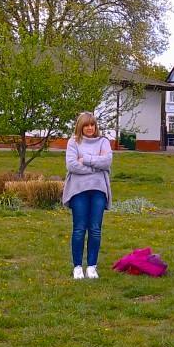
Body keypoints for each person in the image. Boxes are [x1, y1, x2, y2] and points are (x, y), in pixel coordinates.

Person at [62, 111, 113, 280]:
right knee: (79, 228)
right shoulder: (73, 142)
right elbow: (72, 165)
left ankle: (92, 266)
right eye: (86, 125)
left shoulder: (103, 141)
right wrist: (96, 166)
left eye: (92, 125)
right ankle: (77, 266)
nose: (90, 128)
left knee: (95, 229)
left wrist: (86, 159)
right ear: (80, 126)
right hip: (78, 191)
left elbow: (107, 161)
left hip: (98, 190)